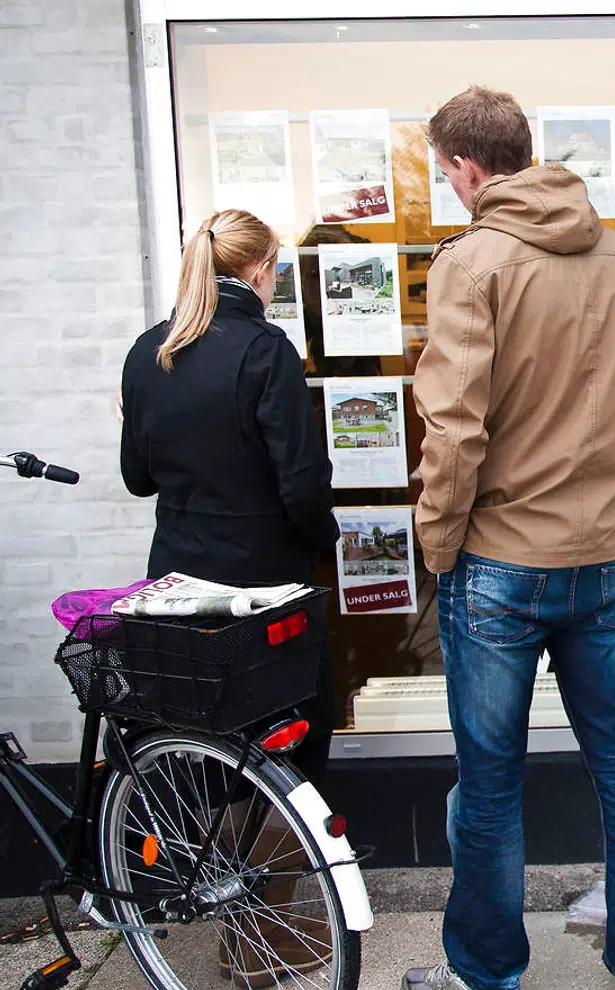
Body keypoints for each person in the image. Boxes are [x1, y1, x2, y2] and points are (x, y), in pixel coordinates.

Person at [405, 86, 615, 990]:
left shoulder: (472, 262)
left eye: (444, 171)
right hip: (595, 564)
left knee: (489, 788)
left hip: (496, 564)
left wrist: (439, 548)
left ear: (466, 166)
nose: (448, 186)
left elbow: (453, 431)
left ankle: (489, 976)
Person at [119, 208, 340, 986]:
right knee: (292, 745)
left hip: (179, 584)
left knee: (204, 746)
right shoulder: (264, 351)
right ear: (259, 270)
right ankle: (260, 941)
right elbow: (304, 481)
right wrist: (325, 539)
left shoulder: (151, 352)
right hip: (266, 585)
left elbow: (136, 476)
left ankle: (212, 903)